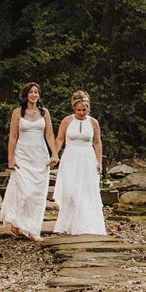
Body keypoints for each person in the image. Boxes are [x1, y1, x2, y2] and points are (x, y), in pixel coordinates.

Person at [0, 82, 57, 240]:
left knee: (37, 193)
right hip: (23, 154)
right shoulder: (17, 112)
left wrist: (54, 154)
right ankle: (17, 221)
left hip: (39, 155)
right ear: (25, 95)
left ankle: (33, 230)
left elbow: (50, 135)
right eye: (31, 92)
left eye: (36, 92)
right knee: (23, 191)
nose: (34, 95)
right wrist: (10, 158)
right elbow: (13, 136)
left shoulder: (44, 112)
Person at [51, 90, 107, 236]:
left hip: (87, 158)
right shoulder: (67, 121)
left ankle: (85, 225)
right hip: (70, 157)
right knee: (70, 190)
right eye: (79, 110)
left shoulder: (93, 122)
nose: (82, 113)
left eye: (84, 110)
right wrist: (54, 154)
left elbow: (97, 142)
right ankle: (66, 224)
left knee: (86, 191)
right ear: (74, 109)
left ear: (88, 108)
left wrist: (99, 162)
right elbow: (59, 139)